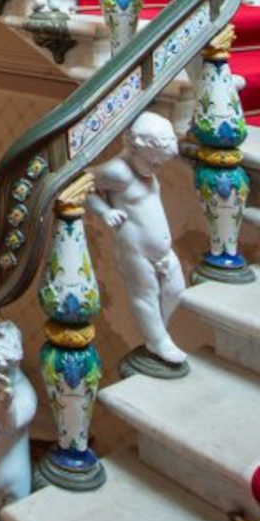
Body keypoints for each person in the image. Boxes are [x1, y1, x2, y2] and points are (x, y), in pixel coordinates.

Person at [87, 112, 188, 368]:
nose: (156, 169)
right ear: (134, 147)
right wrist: (104, 211)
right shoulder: (117, 172)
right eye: (153, 162)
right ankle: (159, 339)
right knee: (145, 294)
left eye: (160, 164)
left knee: (176, 290)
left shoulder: (143, 169)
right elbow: (80, 185)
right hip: (135, 248)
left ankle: (155, 335)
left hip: (162, 250)